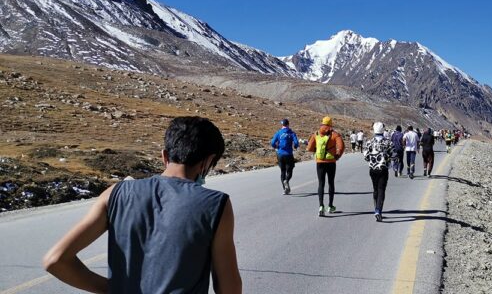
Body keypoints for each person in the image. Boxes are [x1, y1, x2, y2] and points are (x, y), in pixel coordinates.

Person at [43, 116, 242, 294]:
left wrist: (112, 289)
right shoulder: (216, 205)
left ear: (165, 156)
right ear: (208, 161)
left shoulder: (115, 193)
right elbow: (229, 288)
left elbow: (55, 260)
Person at [307, 116, 345, 216]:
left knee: (321, 183)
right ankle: (330, 206)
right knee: (331, 183)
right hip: (331, 162)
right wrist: (337, 156)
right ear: (330, 124)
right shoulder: (334, 134)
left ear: (322, 123)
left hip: (319, 162)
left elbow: (309, 148)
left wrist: (317, 151)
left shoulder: (316, 133)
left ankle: (321, 206)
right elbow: (341, 146)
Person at [363, 122, 395, 222]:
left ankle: (376, 209)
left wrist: (373, 160)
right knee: (381, 190)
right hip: (383, 169)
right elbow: (393, 155)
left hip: (372, 169)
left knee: (375, 189)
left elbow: (366, 156)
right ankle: (378, 211)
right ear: (382, 130)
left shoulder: (369, 142)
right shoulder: (388, 142)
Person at [271, 118, 300, 195]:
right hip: (289, 154)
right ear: (288, 124)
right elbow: (296, 143)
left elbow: (272, 142)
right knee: (289, 171)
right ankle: (286, 181)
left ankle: (285, 189)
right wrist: (295, 147)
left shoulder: (278, 133)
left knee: (282, 171)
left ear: (282, 125)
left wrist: (276, 147)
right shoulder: (291, 133)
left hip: (280, 154)